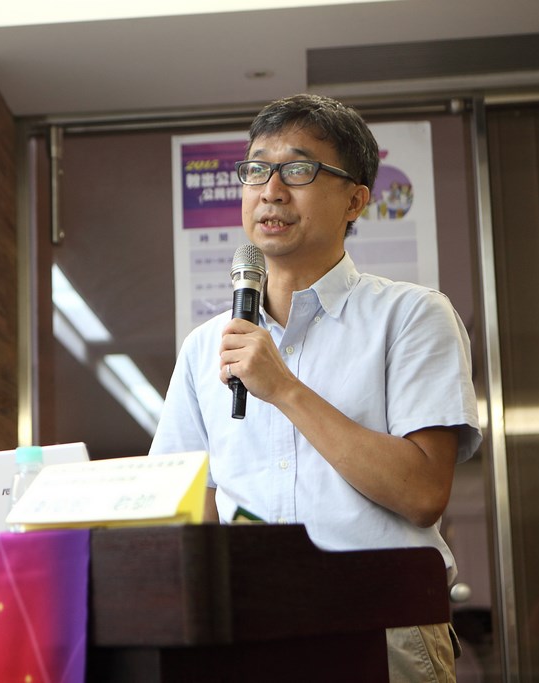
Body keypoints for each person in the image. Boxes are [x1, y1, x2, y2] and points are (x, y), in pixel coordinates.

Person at [150, 94, 482, 682]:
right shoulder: (206, 345)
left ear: (356, 199)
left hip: (382, 623)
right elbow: (180, 503)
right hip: (246, 630)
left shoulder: (412, 315)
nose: (271, 191)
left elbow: (422, 492)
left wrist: (283, 388)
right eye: (256, 170)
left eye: (298, 170)